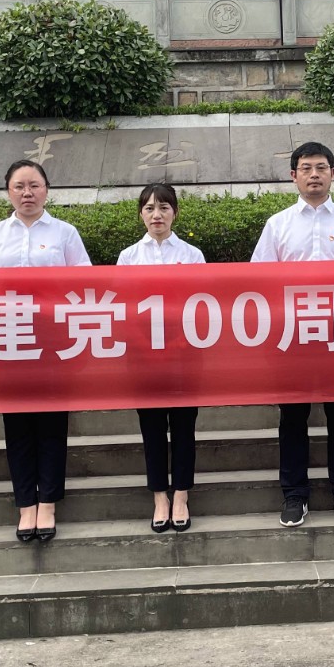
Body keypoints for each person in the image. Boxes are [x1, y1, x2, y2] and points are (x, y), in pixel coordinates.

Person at [250, 141, 334, 528]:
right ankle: (294, 496)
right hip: (292, 338)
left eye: (321, 168)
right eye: (306, 168)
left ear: (333, 174)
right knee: (293, 418)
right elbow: (258, 280)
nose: (314, 175)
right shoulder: (278, 225)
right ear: (294, 176)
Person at [0, 159, 92, 544]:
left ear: (46, 190)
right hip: (9, 340)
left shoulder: (65, 233)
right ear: (8, 191)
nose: (27, 193)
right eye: (20, 186)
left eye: (34, 185)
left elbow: (84, 281)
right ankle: (26, 503)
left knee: (53, 423)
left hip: (54, 341)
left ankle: (48, 502)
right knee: (17, 424)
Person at [116, 184, 206, 532]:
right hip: (142, 354)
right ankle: (159, 497)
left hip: (185, 352)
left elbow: (201, 304)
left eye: (164, 208)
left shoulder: (192, 254)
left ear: (175, 213)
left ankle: (181, 493)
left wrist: (183, 341)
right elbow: (124, 307)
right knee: (151, 427)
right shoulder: (128, 257)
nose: (157, 215)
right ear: (141, 214)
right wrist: (141, 342)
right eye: (150, 208)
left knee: (184, 425)